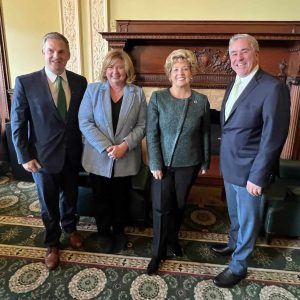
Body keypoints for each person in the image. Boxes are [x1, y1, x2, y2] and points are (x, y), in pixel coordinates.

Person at [212, 34, 290, 288]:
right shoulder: (232, 83)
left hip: (250, 173)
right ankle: (233, 244)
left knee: (248, 221)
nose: (238, 58)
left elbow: (273, 136)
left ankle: (238, 266)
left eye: (243, 52)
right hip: (230, 166)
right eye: (233, 54)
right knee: (235, 216)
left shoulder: (272, 87)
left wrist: (258, 176)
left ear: (256, 54)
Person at [10, 32, 88, 270]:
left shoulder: (79, 81)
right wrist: (24, 157)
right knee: (48, 202)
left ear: (69, 54)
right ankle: (52, 243)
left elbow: (82, 119)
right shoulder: (26, 82)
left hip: (73, 154)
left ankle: (71, 228)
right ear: (43, 53)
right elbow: (18, 123)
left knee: (71, 196)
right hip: (41, 158)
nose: (56, 56)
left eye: (61, 51)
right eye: (51, 51)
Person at [146, 49, 211, 274]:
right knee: (160, 207)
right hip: (162, 165)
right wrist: (154, 163)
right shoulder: (158, 98)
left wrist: (205, 161)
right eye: (175, 69)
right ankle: (157, 253)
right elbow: (151, 133)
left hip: (189, 163)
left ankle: (173, 240)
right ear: (169, 74)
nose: (180, 73)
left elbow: (205, 134)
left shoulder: (201, 101)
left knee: (179, 205)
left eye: (185, 68)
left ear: (192, 72)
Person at [78, 49, 147, 253]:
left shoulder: (137, 93)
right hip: (98, 156)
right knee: (101, 199)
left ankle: (119, 232)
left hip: (125, 157)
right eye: (110, 67)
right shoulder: (92, 90)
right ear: (105, 70)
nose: (115, 71)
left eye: (119, 67)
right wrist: (108, 147)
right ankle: (103, 233)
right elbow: (85, 122)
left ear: (127, 70)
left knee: (121, 199)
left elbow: (142, 125)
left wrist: (124, 146)